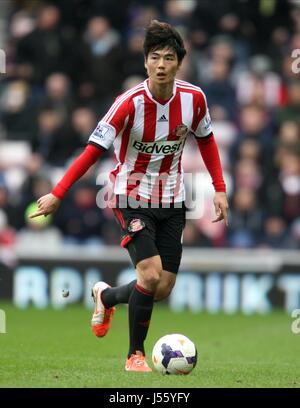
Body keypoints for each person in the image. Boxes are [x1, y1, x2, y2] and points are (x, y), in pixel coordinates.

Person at [30, 20, 229, 372]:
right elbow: (92, 151)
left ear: (179, 62)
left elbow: (207, 140)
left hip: (172, 199)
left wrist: (220, 189)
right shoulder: (128, 103)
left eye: (169, 57)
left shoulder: (194, 98)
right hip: (129, 195)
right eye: (155, 57)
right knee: (149, 275)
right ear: (146, 62)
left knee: (161, 286)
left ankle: (105, 297)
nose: (162, 64)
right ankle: (134, 355)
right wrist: (58, 193)